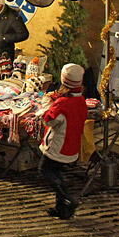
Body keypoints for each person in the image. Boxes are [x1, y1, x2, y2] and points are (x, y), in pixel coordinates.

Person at [39, 64, 88, 220]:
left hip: (58, 145)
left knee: (46, 170)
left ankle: (67, 197)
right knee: (57, 171)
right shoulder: (80, 100)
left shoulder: (63, 103)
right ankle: (62, 210)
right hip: (72, 144)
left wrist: (47, 104)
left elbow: (49, 120)